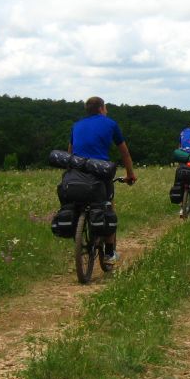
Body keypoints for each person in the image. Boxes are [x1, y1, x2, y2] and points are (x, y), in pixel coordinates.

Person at [69, 96, 136, 262]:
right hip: (100, 171)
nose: (107, 110)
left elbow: (70, 153)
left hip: (77, 172)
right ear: (101, 108)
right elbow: (124, 152)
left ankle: (80, 227)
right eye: (105, 107)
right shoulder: (111, 124)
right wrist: (130, 175)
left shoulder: (76, 125)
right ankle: (109, 252)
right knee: (108, 207)